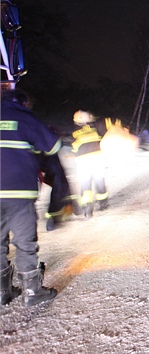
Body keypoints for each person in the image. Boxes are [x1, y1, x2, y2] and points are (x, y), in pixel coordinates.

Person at [1, 89, 59, 306]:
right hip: (18, 191)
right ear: (24, 103)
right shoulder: (25, 118)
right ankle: (32, 292)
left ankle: (2, 292)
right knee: (25, 241)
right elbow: (53, 145)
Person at [71, 110, 111, 218]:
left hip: (81, 160)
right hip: (97, 157)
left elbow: (74, 148)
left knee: (85, 183)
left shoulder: (74, 132)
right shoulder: (96, 126)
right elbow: (107, 126)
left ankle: (87, 208)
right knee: (99, 180)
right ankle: (103, 203)